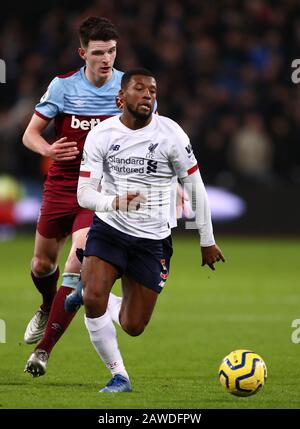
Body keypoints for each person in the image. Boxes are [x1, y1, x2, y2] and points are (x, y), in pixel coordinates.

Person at [67, 68, 225, 393]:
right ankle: (119, 376)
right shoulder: (101, 135)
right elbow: (84, 194)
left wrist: (206, 240)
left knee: (133, 325)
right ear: (120, 98)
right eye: (140, 89)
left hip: (153, 240)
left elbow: (195, 189)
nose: (148, 95)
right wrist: (115, 203)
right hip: (110, 229)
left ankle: (90, 293)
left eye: (153, 90)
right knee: (96, 298)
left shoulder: (172, 136)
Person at [23, 16, 126, 377]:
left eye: (111, 51)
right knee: (41, 265)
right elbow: (29, 135)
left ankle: (43, 351)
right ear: (83, 52)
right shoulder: (63, 87)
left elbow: (151, 133)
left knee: (76, 263)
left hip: (99, 190)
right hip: (61, 185)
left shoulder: (128, 88)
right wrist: (50, 150)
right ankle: (47, 303)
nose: (106, 59)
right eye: (98, 52)